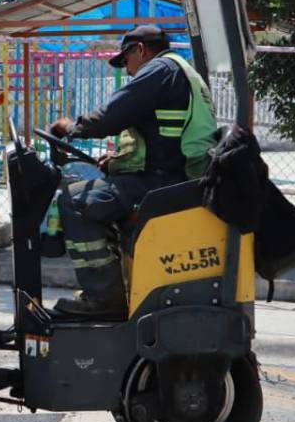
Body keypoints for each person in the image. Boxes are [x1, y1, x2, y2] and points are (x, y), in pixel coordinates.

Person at [49, 25, 218, 317]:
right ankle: (116, 287)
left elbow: (111, 116)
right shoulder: (179, 71)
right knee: (104, 195)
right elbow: (162, 138)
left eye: (126, 61)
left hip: (168, 181)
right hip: (178, 174)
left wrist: (71, 128)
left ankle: (103, 297)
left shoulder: (159, 70)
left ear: (139, 50)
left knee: (74, 201)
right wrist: (118, 160)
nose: (127, 71)